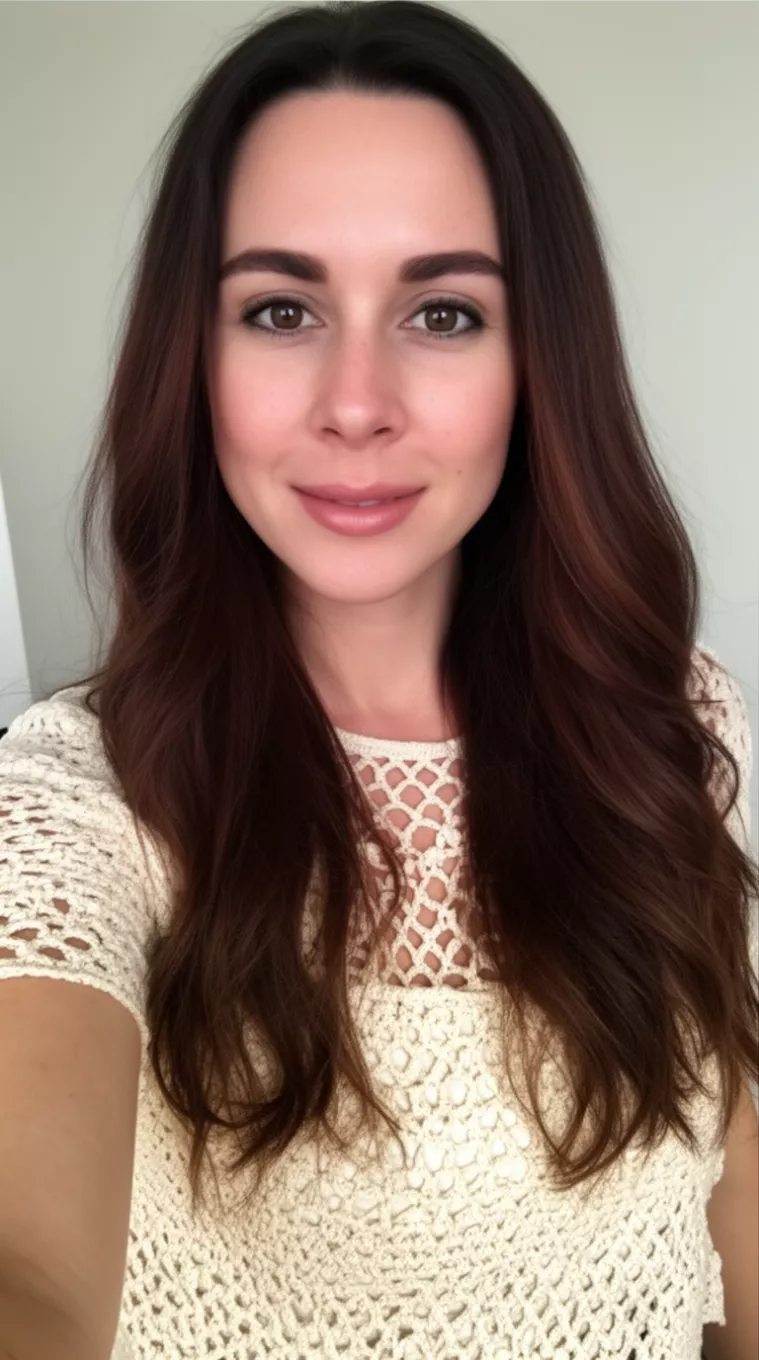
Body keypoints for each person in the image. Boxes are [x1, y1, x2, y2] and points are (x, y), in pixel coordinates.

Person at [0, 3, 756, 1358]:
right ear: (193, 357)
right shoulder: (78, 800)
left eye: (443, 311)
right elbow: (29, 1272)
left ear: (539, 365)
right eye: (280, 309)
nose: (357, 400)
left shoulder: (675, 725)